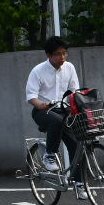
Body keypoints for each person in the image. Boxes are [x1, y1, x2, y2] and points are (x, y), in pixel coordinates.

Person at [25, 37, 80, 173]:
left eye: (64, 53)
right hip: (42, 111)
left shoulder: (69, 67)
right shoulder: (38, 70)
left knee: (77, 145)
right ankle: (49, 155)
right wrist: (41, 105)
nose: (62, 57)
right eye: (58, 54)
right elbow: (31, 96)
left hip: (63, 110)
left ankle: (79, 185)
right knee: (57, 121)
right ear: (48, 55)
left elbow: (74, 91)